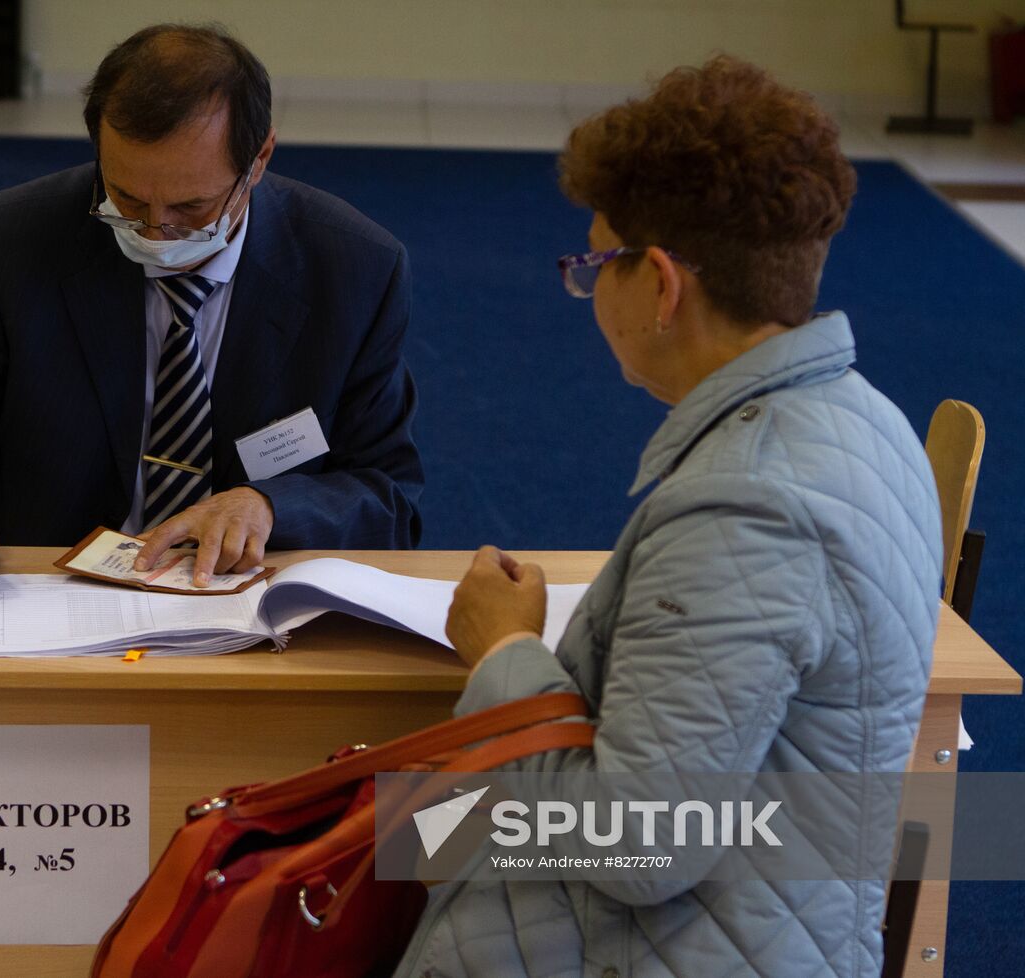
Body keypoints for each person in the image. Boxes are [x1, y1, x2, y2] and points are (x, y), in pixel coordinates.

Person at [396, 57, 942, 977]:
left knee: (365, 849)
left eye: (592, 264)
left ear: (660, 283)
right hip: (757, 922)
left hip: (662, 946)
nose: (587, 291)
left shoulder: (747, 504)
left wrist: (503, 653)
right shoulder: (866, 419)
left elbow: (634, 846)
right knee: (401, 837)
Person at [0, 24, 423, 589]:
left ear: (260, 158)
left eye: (190, 206)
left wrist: (270, 506)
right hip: (53, 595)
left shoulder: (352, 268)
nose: (155, 233)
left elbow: (388, 497)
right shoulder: (15, 241)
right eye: (125, 197)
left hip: (252, 594)